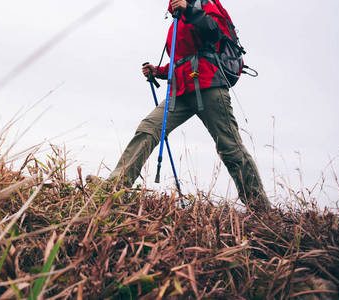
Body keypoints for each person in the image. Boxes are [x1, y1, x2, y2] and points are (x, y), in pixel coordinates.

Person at [105, 0, 271, 211]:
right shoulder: (175, 20)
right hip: (181, 91)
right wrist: (158, 71)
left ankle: (261, 209)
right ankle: (114, 189)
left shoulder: (205, 5)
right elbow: (181, 60)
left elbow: (216, 32)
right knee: (149, 127)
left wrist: (190, 10)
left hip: (209, 85)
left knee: (230, 148)